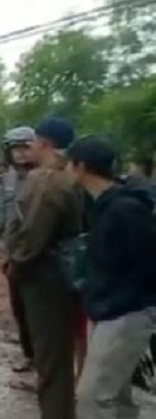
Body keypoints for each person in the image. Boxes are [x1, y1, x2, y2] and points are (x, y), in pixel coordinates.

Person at [66, 136, 156, 419]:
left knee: (92, 398)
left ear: (80, 167)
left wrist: (116, 300)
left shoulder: (125, 210)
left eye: (69, 164)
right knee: (117, 396)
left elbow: (147, 263)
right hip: (107, 309)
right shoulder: (103, 205)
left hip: (124, 312)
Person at [9, 117, 84, 419]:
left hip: (45, 278)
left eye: (34, 142)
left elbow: (32, 235)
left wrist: (16, 265)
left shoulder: (48, 180)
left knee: (51, 362)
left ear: (45, 144)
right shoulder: (73, 175)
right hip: (64, 276)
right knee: (58, 360)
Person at [0, 127, 38, 374]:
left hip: (43, 254)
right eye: (16, 148)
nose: (21, 153)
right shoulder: (8, 180)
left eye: (25, 147)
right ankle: (29, 355)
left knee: (42, 312)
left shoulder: (46, 177)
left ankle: (48, 361)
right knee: (20, 309)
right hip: (15, 255)